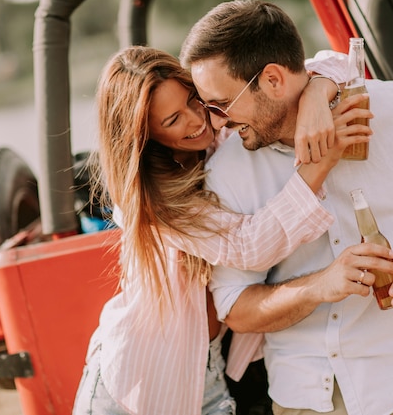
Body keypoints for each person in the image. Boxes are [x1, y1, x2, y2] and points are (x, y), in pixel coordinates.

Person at [179, 0, 393, 414]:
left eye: (221, 104)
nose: (216, 122)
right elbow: (236, 309)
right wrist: (320, 285)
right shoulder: (226, 171)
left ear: (274, 79)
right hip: (303, 396)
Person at [72, 45, 375, 415]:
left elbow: (336, 62)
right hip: (141, 379)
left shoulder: (220, 134)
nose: (197, 119)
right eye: (172, 121)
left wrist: (315, 92)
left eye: (191, 100)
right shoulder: (153, 201)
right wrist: (318, 165)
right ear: (144, 137)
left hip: (214, 364)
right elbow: (248, 246)